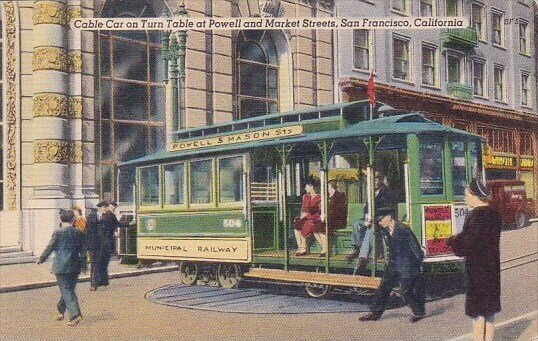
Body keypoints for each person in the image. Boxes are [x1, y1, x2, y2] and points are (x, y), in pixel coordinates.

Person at [447, 178, 501, 341]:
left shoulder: (475, 216)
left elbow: (465, 245)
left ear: (473, 195)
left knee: (477, 315)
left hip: (478, 273)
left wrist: (452, 240)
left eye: (466, 194)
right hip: (492, 270)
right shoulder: (494, 215)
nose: (464, 198)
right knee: (489, 313)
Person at [359, 209, 426, 323]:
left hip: (406, 264)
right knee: (383, 288)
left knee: (405, 291)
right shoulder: (385, 230)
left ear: (389, 217)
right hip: (393, 264)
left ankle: (419, 312)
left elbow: (414, 246)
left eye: (381, 220)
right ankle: (374, 313)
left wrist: (418, 262)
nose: (380, 223)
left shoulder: (403, 229)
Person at [37, 209, 87, 326]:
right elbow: (83, 251)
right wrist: (84, 266)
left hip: (61, 266)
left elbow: (50, 247)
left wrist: (41, 259)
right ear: (73, 220)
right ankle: (60, 309)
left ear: (61, 220)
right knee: (68, 289)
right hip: (75, 265)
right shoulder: (79, 233)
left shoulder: (58, 232)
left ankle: (75, 316)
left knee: (66, 289)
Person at [347, 171, 398, 268]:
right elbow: (366, 207)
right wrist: (367, 215)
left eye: (375, 179)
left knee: (371, 228)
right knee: (357, 224)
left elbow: (389, 208)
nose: (373, 181)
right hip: (372, 218)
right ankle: (357, 249)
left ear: (381, 179)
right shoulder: (371, 192)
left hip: (383, 220)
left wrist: (374, 215)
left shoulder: (388, 192)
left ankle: (363, 257)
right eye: (371, 179)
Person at [90, 201, 129, 290]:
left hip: (102, 243)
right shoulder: (109, 215)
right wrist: (128, 223)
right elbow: (117, 224)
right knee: (100, 263)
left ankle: (101, 281)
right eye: (111, 207)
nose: (112, 209)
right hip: (103, 243)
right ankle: (95, 283)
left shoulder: (106, 215)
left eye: (113, 208)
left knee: (102, 262)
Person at [293, 180, 323, 256]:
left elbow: (319, 211)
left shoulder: (320, 197)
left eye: (306, 187)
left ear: (311, 187)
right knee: (297, 228)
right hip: (306, 217)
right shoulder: (306, 196)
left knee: (304, 227)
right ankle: (301, 248)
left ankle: (303, 248)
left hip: (315, 218)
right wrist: (300, 218)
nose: (305, 189)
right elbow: (303, 210)